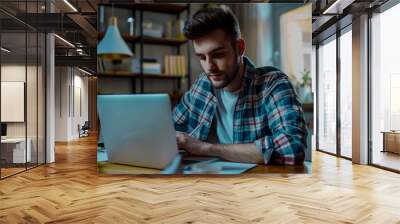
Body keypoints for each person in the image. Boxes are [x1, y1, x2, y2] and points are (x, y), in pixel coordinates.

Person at [173, 5, 307, 165]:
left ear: (240, 47)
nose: (209, 67)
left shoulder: (273, 83)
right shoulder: (202, 85)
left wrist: (206, 148)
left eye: (218, 55)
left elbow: (293, 148)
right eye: (202, 57)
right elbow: (170, 129)